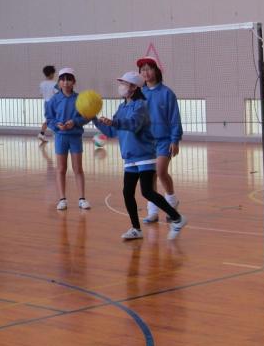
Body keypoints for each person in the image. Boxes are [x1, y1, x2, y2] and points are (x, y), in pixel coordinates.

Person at [93, 72, 186, 241]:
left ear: (134, 87)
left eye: (124, 83)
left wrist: (114, 122)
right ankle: (136, 229)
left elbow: (134, 124)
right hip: (129, 156)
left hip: (144, 155)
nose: (121, 87)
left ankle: (177, 218)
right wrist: (94, 118)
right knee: (127, 192)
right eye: (121, 83)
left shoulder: (141, 106)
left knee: (147, 191)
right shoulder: (121, 108)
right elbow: (112, 131)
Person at [137, 57, 183, 223]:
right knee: (150, 178)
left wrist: (175, 140)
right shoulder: (139, 94)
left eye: (149, 68)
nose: (146, 72)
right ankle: (153, 211)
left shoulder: (167, 93)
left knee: (161, 172)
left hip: (164, 141)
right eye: (143, 70)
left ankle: (171, 200)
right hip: (145, 143)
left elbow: (174, 118)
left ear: (156, 71)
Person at [44, 67, 90, 211]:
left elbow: (86, 116)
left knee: (78, 168)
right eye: (63, 80)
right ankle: (62, 199)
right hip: (60, 138)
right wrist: (56, 125)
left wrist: (75, 122)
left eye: (69, 79)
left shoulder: (80, 99)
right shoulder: (54, 100)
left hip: (75, 137)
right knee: (61, 169)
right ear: (59, 82)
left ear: (74, 82)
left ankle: (82, 199)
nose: (65, 82)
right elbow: (49, 118)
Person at [37, 65, 58, 143]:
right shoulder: (55, 84)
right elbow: (58, 94)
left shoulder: (42, 84)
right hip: (54, 103)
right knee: (57, 119)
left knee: (48, 119)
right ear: (52, 73)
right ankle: (56, 134)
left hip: (46, 103)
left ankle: (41, 134)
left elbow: (41, 94)